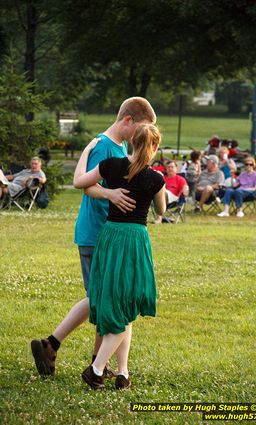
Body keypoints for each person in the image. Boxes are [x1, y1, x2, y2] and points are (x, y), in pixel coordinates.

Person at [31, 97, 157, 377]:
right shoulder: (104, 147)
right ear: (128, 121)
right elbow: (86, 185)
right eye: (140, 128)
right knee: (103, 298)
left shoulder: (123, 147)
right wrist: (110, 193)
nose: (141, 137)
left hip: (112, 236)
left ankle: (93, 360)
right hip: (98, 233)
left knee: (103, 298)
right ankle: (54, 345)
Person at [73, 123, 166, 390]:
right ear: (154, 147)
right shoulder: (155, 179)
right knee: (125, 304)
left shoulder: (111, 165)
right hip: (134, 240)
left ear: (132, 142)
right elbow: (161, 210)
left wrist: (86, 151)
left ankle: (123, 373)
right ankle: (96, 369)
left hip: (110, 237)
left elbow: (81, 182)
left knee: (122, 302)